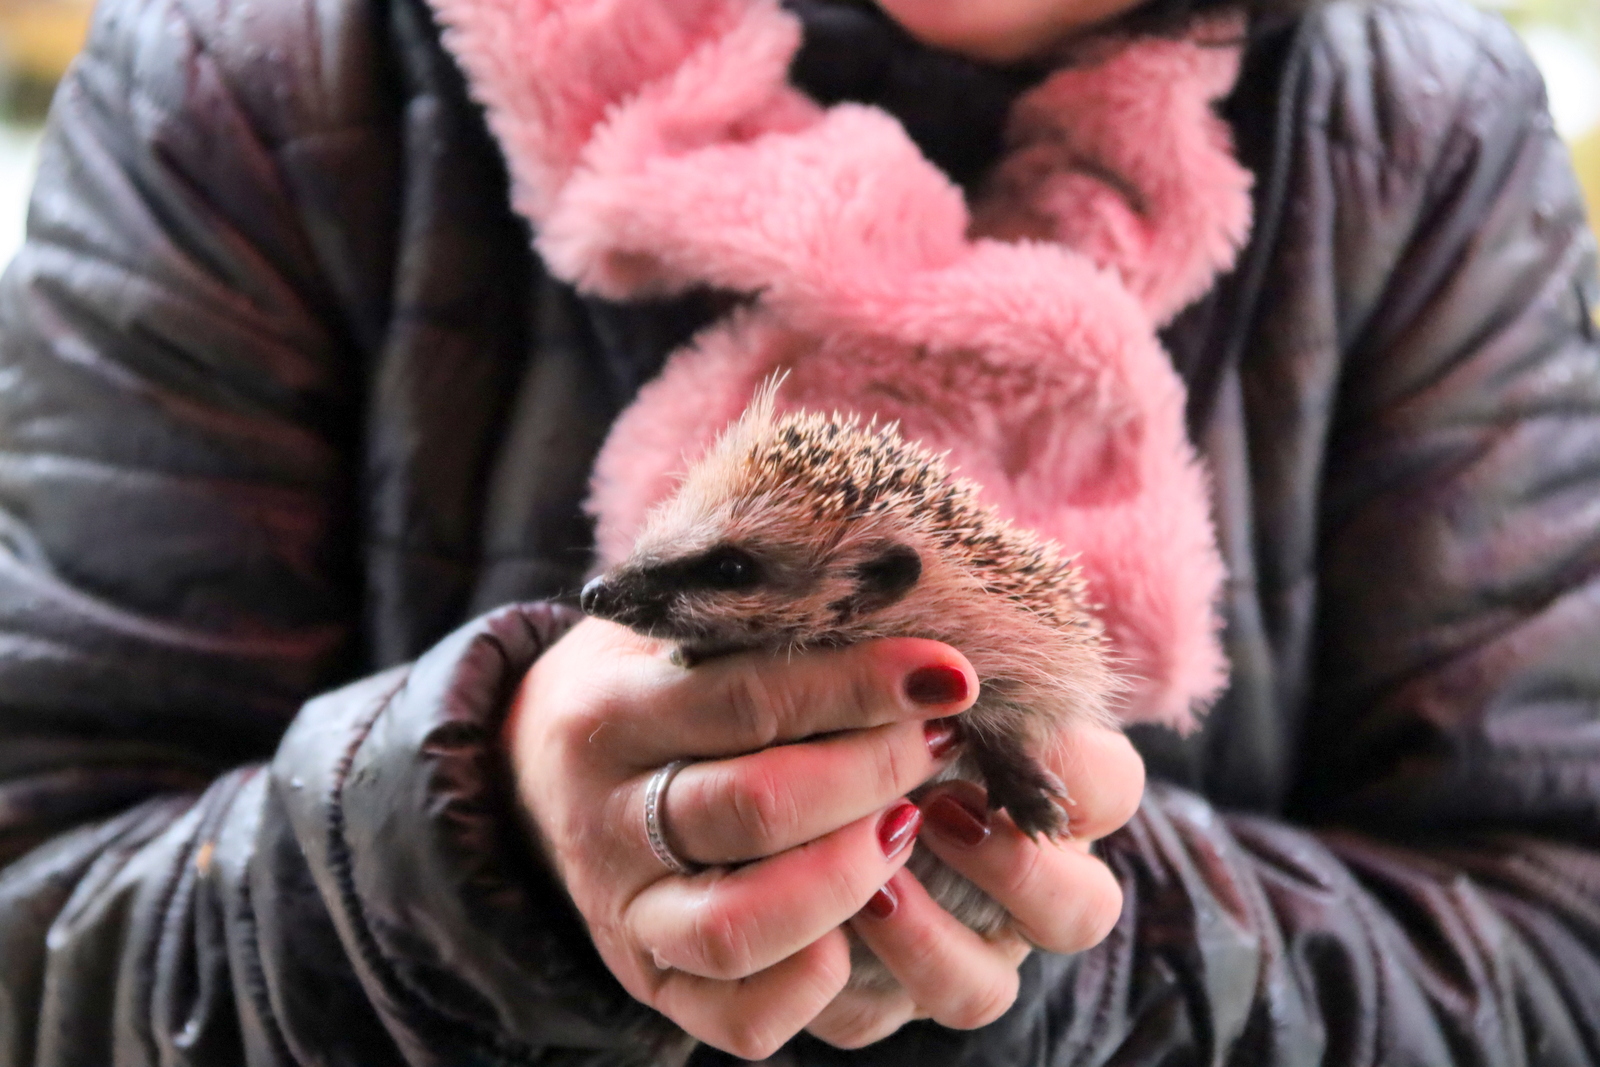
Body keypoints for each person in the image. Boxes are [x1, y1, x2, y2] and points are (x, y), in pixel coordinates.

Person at [0, 0, 1595, 1061]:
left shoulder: (1421, 136)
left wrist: (1099, 952)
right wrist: (469, 844)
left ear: (885, 590)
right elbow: (39, 933)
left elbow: (1553, 960)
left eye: (720, 572)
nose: (616, 596)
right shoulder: (258, 67)